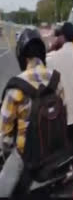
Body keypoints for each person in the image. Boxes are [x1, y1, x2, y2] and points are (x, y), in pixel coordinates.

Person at [0, 29, 65, 197]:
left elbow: (5, 136)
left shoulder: (15, 88)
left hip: (27, 159)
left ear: (22, 57)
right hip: (56, 151)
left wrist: (7, 151)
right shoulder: (56, 80)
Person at [47, 22, 73, 152]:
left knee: (63, 148)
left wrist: (52, 48)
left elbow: (49, 86)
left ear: (62, 37)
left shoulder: (52, 58)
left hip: (60, 112)